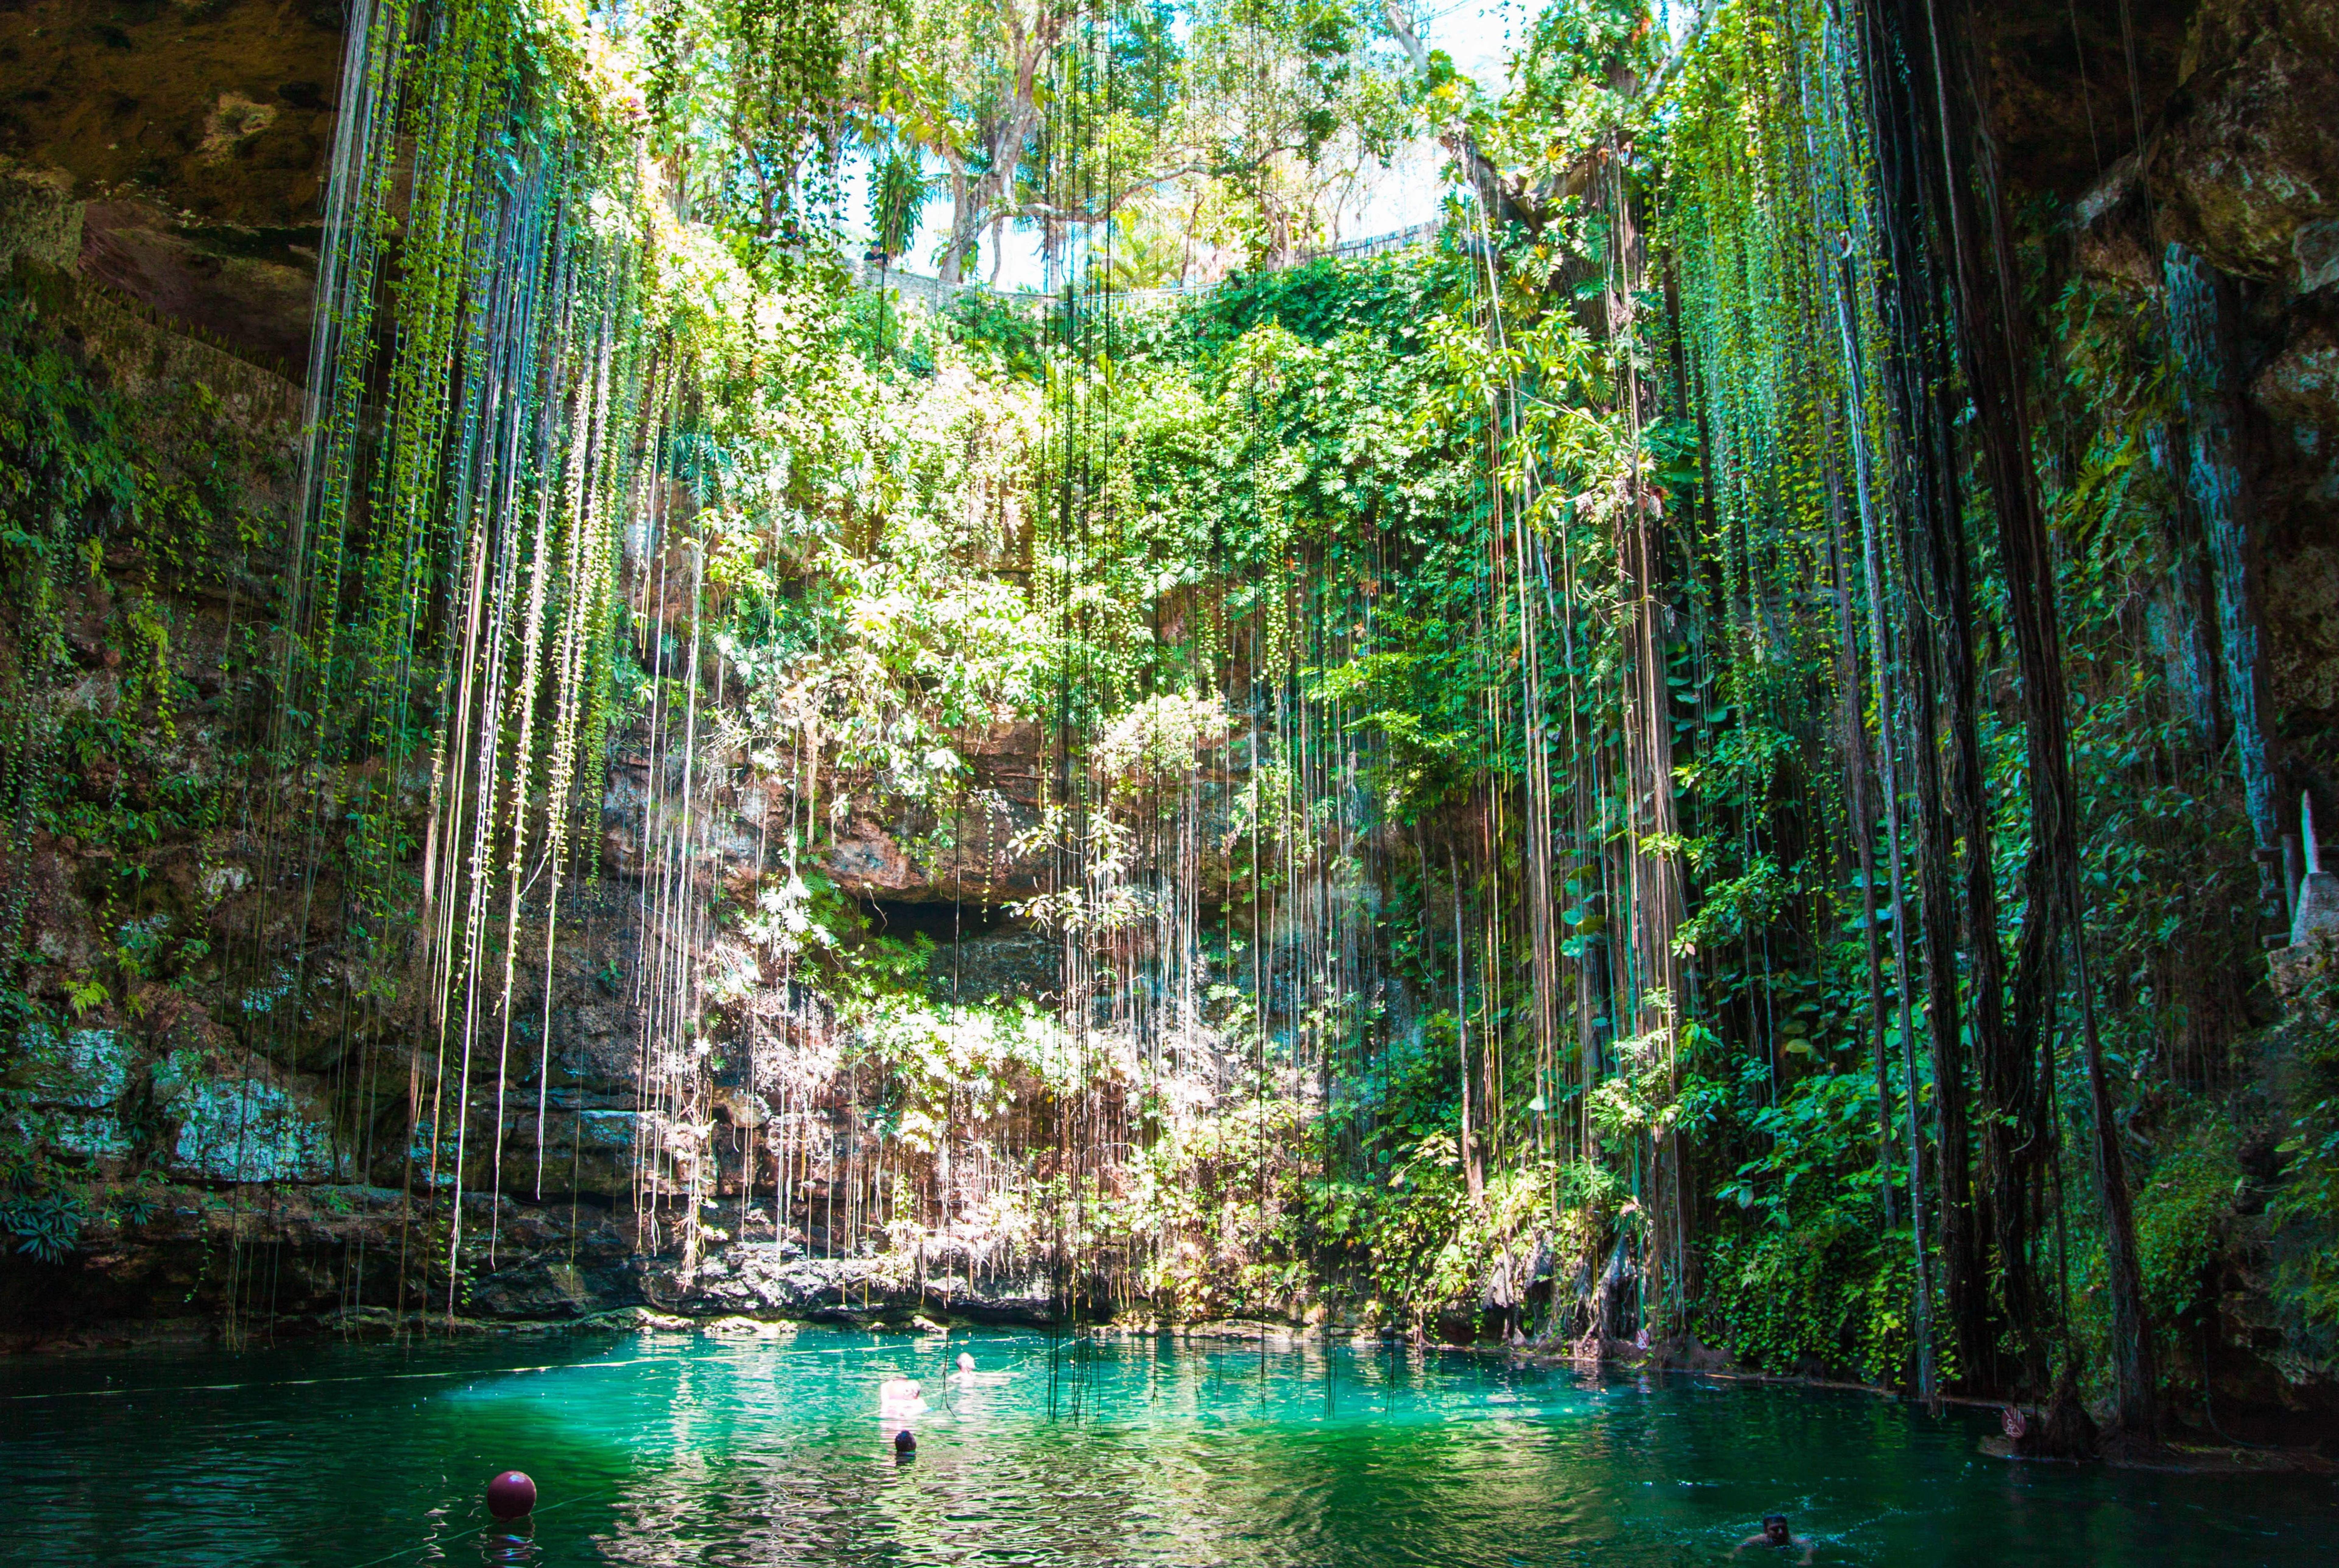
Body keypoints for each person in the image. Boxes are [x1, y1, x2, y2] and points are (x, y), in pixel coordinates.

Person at [1735, 1515, 1813, 1563]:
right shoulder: (1760, 1539)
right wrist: (1735, 1556)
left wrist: (1807, 1559)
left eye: (1784, 1528)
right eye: (1775, 1529)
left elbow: (1810, 1546)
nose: (1781, 1532)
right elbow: (1741, 1546)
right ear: (1766, 1531)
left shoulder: (1793, 1539)